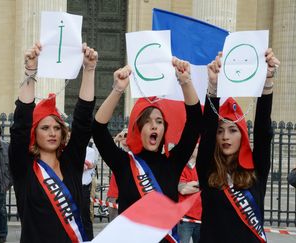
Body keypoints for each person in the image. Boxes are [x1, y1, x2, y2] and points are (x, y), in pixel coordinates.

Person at [92, 60, 202, 242]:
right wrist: (118, 89)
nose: (154, 126)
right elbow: (98, 129)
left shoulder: (173, 163)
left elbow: (195, 122)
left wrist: (185, 81)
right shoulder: (123, 163)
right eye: (148, 121)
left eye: (159, 122)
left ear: (164, 130)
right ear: (138, 129)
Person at [9, 42, 97, 242]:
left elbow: (83, 122)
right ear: (35, 133)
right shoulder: (24, 167)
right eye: (45, 128)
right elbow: (20, 125)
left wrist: (89, 70)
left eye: (57, 128)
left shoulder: (71, 163)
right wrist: (30, 70)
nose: (52, 133)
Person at [196, 49, 279, 243]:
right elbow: (206, 131)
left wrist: (266, 84)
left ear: (242, 134)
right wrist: (213, 87)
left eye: (233, 130)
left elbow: (262, 134)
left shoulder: (256, 169)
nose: (225, 136)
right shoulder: (207, 169)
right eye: (220, 131)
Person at [177, 144, 201, 243]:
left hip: (201, 218)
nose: (192, 149)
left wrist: (192, 184)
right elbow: (183, 189)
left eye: (195, 147)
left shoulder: (203, 167)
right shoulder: (179, 167)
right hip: (184, 219)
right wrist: (201, 185)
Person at [106, 129, 128, 221]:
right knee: (113, 224)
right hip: (115, 194)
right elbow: (106, 150)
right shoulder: (119, 154)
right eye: (125, 136)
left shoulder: (135, 154)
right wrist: (115, 139)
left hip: (127, 195)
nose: (125, 138)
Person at [81, 141, 97, 240]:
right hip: (69, 184)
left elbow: (86, 166)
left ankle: (89, 239)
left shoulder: (90, 151)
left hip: (84, 186)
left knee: (85, 215)